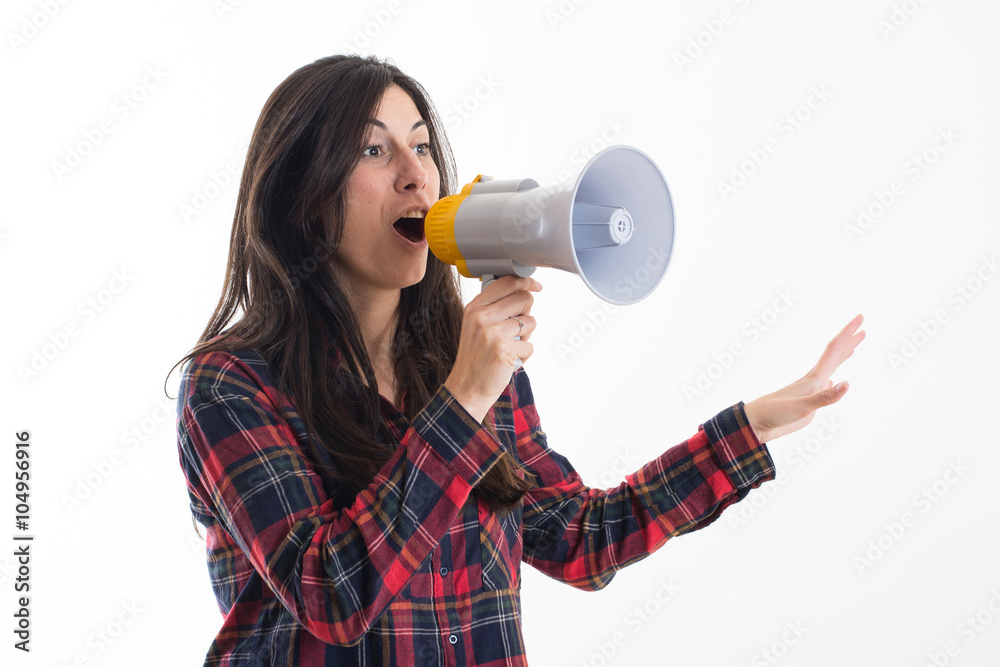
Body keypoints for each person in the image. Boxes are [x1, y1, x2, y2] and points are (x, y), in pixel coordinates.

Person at [169, 54, 865, 666]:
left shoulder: (470, 365)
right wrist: (463, 400)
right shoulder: (231, 387)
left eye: (422, 147)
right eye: (374, 152)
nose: (417, 176)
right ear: (301, 193)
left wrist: (749, 427)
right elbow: (333, 594)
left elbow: (580, 538)